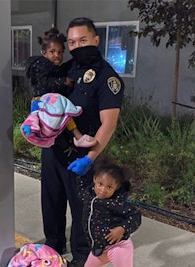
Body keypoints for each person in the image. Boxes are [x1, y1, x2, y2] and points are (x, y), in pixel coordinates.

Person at [40, 17, 125, 267]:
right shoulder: (65, 69)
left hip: (82, 158)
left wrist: (89, 159)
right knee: (51, 204)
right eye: (72, 42)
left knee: (82, 213)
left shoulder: (107, 78)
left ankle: (81, 257)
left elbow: (108, 124)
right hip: (53, 150)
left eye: (83, 40)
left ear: (96, 40)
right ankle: (52, 249)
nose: (77, 47)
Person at [25, 28, 96, 148]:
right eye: (52, 52)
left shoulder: (54, 67)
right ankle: (30, 129)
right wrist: (63, 81)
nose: (57, 56)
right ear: (44, 52)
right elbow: (44, 83)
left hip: (50, 100)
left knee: (65, 114)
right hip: (41, 100)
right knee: (45, 116)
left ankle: (76, 137)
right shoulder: (42, 65)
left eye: (60, 52)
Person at [77, 155, 141, 267]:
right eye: (100, 184)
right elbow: (80, 188)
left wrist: (122, 228)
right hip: (98, 248)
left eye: (109, 187)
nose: (103, 190)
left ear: (117, 187)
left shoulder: (116, 202)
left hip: (118, 247)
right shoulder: (88, 195)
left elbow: (135, 215)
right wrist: (80, 174)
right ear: (94, 179)